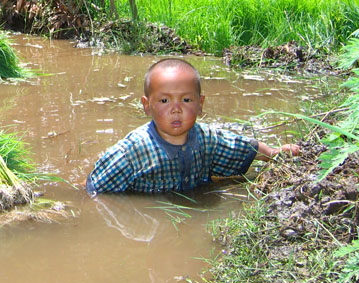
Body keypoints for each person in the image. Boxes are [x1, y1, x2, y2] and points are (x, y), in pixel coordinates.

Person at [86, 58, 301, 194]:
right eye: (164, 101)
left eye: (186, 100)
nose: (176, 109)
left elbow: (244, 147)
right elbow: (97, 189)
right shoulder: (133, 151)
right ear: (147, 106)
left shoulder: (207, 139)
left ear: (200, 105)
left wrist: (274, 153)